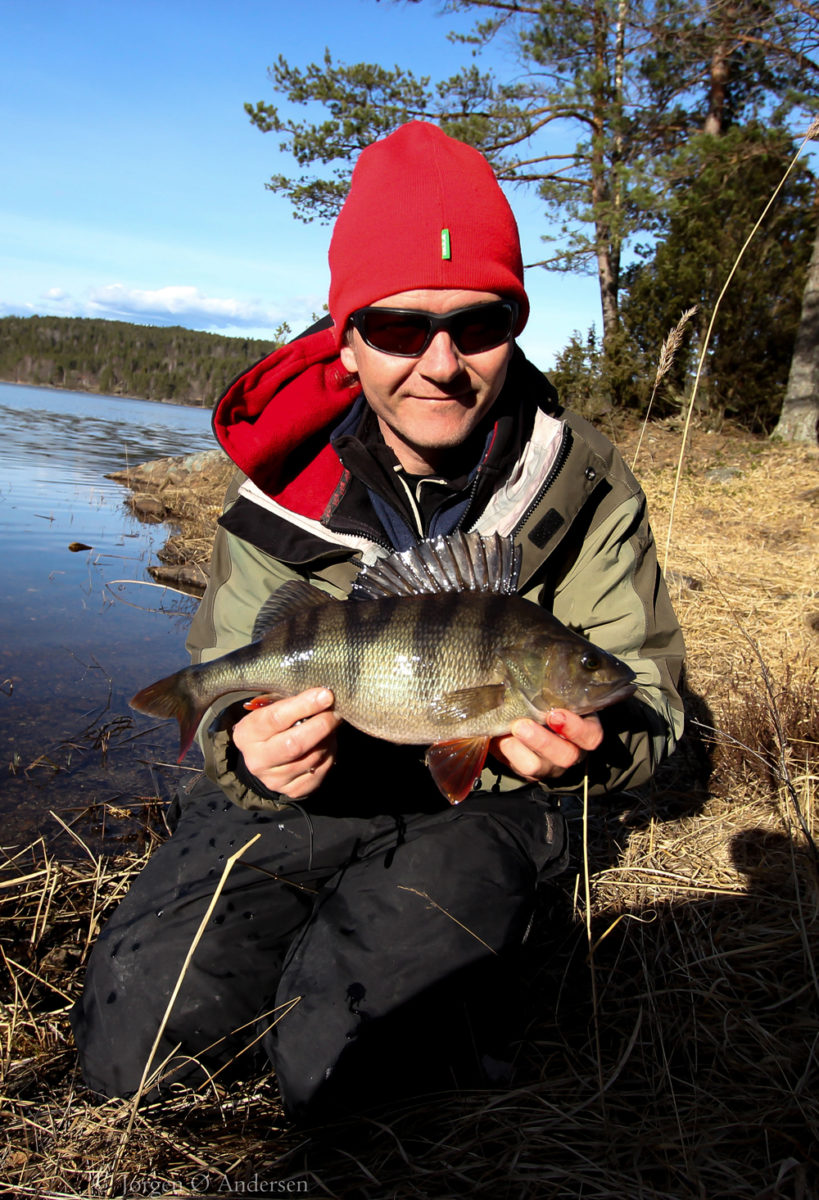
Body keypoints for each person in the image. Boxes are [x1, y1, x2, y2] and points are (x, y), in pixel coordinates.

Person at [71, 122, 685, 1120]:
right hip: (303, 800)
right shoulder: (283, 488)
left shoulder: (585, 483)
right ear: (347, 338)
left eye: (479, 323)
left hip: (481, 810)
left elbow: (644, 696)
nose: (440, 363)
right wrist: (243, 746)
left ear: (515, 327)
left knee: (335, 1067)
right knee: (134, 1041)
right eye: (399, 326)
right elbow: (239, 679)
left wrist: (594, 748)